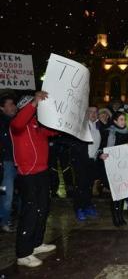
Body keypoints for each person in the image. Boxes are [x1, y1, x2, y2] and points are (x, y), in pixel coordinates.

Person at [11, 92, 58, 267]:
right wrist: (34, 103)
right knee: (30, 212)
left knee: (43, 208)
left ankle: (37, 244)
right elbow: (19, 122)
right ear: (26, 106)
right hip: (27, 175)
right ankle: (23, 254)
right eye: (33, 105)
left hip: (42, 172)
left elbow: (52, 131)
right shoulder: (17, 123)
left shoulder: (36, 124)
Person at [99, 111, 128, 227]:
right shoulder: (108, 132)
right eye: (120, 119)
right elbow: (101, 148)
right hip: (112, 168)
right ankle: (116, 217)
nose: (123, 121)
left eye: (124, 119)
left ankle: (120, 216)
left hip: (125, 167)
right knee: (115, 193)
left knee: (122, 192)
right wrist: (101, 154)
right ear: (115, 121)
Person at [0, 94, 17, 233]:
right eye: (9, 104)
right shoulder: (2, 123)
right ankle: (4, 221)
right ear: (2, 107)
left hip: (20, 163)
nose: (13, 107)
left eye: (14, 104)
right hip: (6, 163)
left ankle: (14, 218)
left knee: (22, 193)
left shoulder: (18, 121)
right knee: (6, 194)